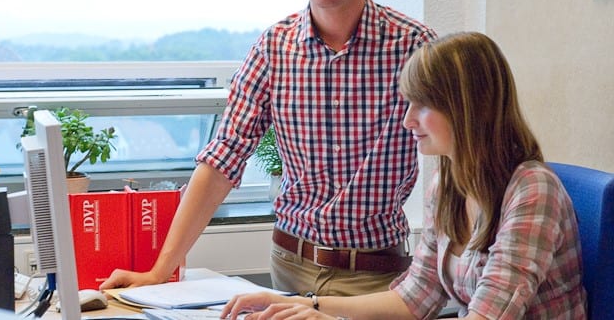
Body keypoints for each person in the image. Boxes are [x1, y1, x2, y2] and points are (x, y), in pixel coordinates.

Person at [100, 0, 436, 296]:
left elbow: (461, 154)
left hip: (380, 275)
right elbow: (223, 158)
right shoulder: (274, 48)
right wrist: (159, 271)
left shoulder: (414, 46)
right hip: (290, 269)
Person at [221, 32, 588, 319]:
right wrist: (309, 305)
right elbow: (416, 297)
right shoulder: (448, 186)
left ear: (469, 107)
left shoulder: (533, 191)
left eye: (423, 104)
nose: (407, 120)